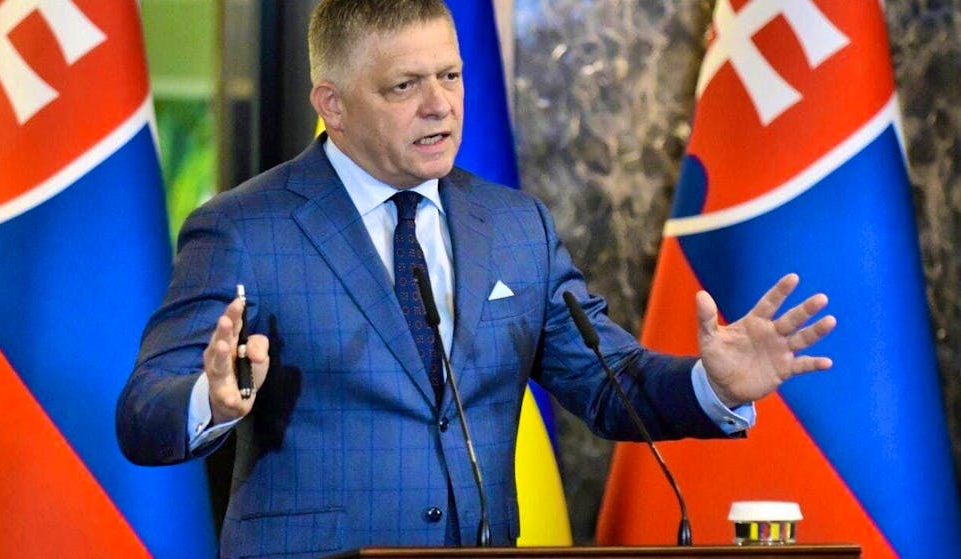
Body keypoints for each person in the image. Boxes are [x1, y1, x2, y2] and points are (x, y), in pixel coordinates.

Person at [116, 0, 836, 557]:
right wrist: (211, 399)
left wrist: (715, 384)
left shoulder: (516, 226)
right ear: (332, 104)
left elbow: (612, 384)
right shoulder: (246, 226)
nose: (441, 104)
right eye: (405, 85)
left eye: (451, 76)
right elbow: (143, 411)